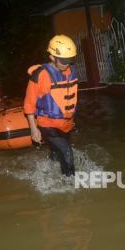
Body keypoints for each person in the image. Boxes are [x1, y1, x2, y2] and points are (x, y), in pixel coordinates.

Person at [23, 34, 78, 177]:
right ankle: (71, 187)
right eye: (63, 60)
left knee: (56, 151)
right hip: (47, 123)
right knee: (66, 152)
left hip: (66, 124)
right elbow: (29, 104)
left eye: (69, 60)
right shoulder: (40, 75)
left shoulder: (72, 70)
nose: (66, 64)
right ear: (52, 57)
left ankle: (50, 174)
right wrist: (34, 129)